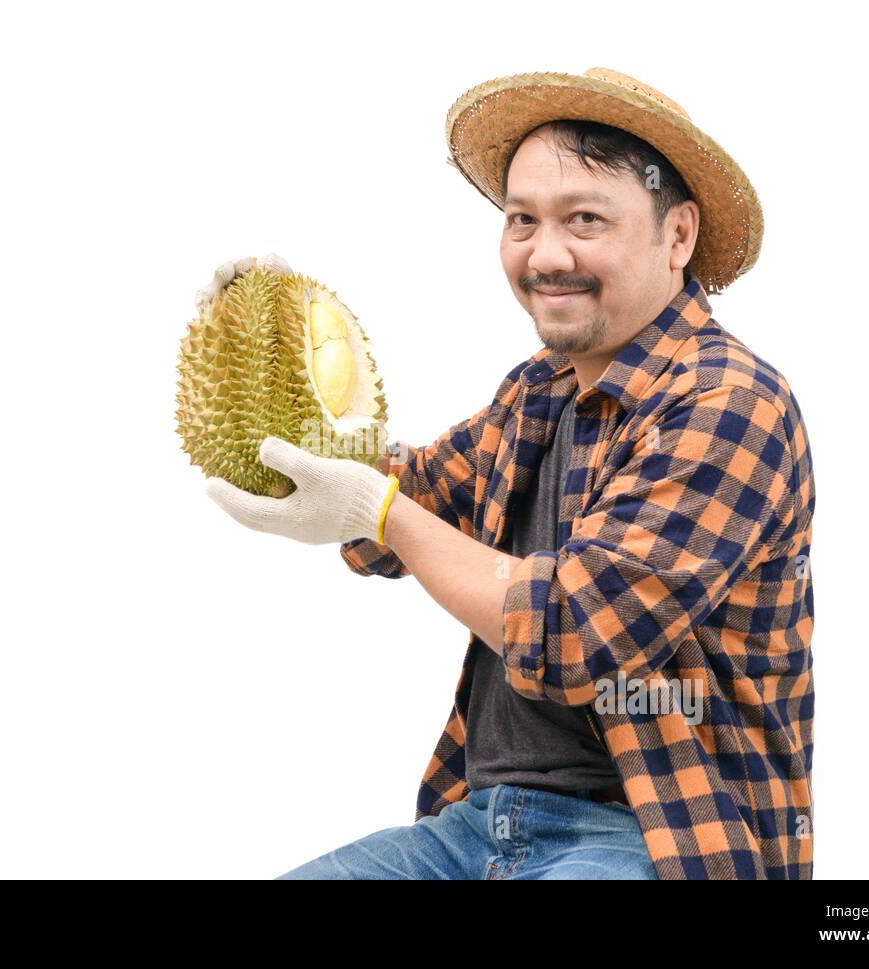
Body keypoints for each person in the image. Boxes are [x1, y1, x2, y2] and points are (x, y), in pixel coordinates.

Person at [205, 67, 815, 880]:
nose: (546, 252)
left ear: (679, 237)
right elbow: (403, 499)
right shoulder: (538, 393)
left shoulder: (732, 405)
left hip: (654, 840)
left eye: (586, 219)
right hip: (476, 825)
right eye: (523, 219)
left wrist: (379, 510)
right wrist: (272, 338)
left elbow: (571, 633)